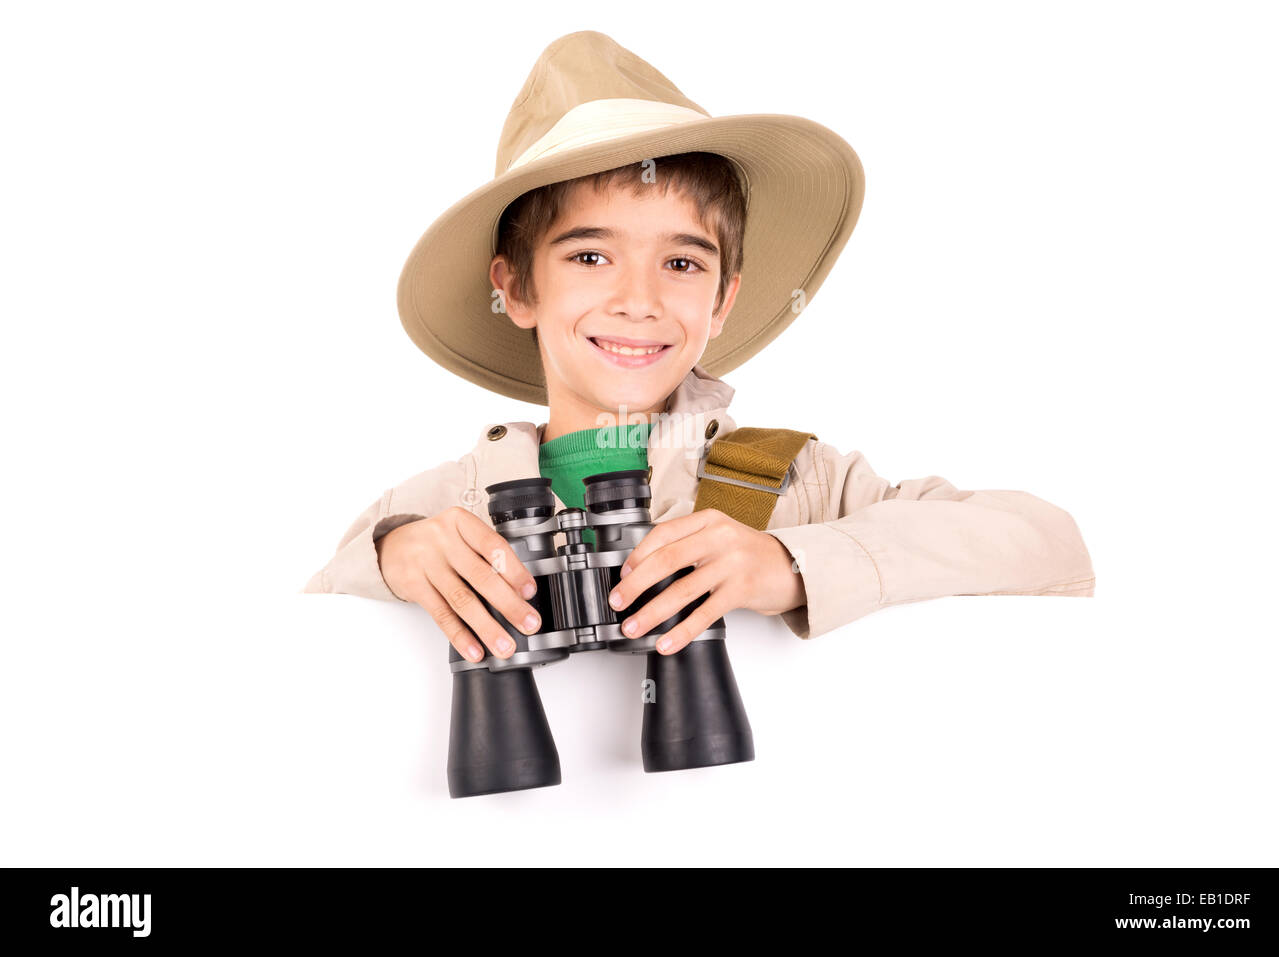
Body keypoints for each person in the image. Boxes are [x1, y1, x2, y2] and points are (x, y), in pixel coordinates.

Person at [303, 30, 1095, 665]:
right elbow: (307, 636)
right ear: (513, 288)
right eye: (589, 255)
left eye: (682, 263)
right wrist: (396, 555)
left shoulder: (794, 481)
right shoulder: (445, 506)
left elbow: (1049, 544)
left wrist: (784, 563)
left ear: (723, 300)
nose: (640, 300)